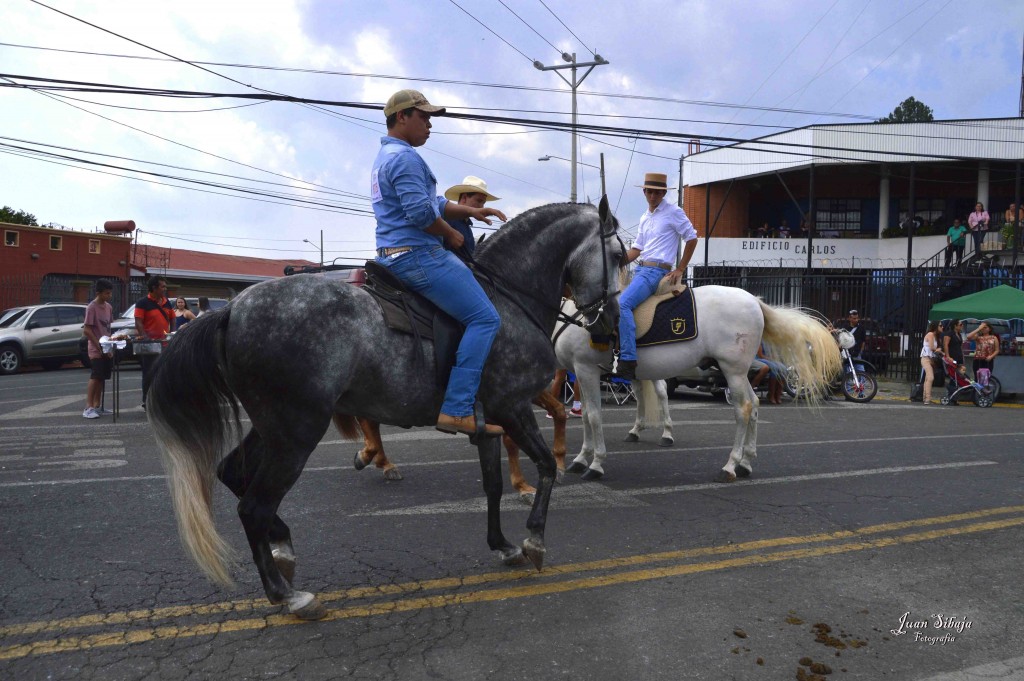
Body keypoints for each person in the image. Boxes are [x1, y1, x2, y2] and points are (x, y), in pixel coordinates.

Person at [371, 89, 507, 436]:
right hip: (418, 255)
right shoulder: (406, 159)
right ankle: (457, 408)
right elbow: (421, 214)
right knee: (485, 318)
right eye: (424, 116)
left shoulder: (387, 156)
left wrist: (470, 210)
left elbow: (432, 202)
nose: (430, 124)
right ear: (402, 117)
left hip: (391, 253)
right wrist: (451, 234)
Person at [615, 172, 698, 381]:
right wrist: (615, 262)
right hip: (640, 269)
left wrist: (680, 268)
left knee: (623, 304)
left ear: (663, 193)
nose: (653, 196)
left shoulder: (674, 212)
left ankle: (627, 359)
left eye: (658, 192)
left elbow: (692, 238)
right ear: (644, 192)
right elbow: (636, 249)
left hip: (656, 272)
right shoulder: (645, 217)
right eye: (650, 191)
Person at [134, 276, 174, 410]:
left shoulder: (166, 301)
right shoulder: (142, 302)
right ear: (154, 288)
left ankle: (162, 399)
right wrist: (145, 337)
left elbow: (172, 318)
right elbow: (138, 321)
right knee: (149, 372)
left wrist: (172, 333)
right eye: (162, 287)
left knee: (164, 372)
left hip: (165, 343)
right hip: (150, 344)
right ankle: (147, 400)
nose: (165, 289)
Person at [441, 176, 500, 256]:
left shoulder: (468, 229)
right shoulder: (447, 219)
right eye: (479, 201)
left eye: (483, 203)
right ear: (464, 198)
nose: (482, 207)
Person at [82, 279, 114, 419]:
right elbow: (87, 330)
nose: (109, 296)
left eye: (110, 293)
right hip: (96, 348)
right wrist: (98, 346)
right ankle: (88, 407)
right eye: (106, 293)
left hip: (107, 346)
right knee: (95, 376)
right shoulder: (91, 308)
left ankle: (97, 405)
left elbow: (108, 328)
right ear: (98, 293)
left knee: (102, 377)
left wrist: (110, 345)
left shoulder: (108, 307)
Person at [967, 322, 1000, 391]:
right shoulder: (978, 337)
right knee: (977, 377)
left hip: (988, 360)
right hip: (978, 360)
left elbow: (997, 350)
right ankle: (976, 393)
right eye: (982, 327)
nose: (983, 329)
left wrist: (991, 356)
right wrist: (979, 328)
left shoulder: (994, 337)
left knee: (986, 378)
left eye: (985, 327)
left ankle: (984, 394)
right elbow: (969, 337)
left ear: (989, 329)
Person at [919, 321, 944, 404]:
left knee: (927, 379)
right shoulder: (930, 334)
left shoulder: (936, 336)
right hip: (926, 358)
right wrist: (939, 350)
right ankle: (927, 399)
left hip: (931, 359)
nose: (942, 327)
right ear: (936, 326)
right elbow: (932, 347)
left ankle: (925, 398)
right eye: (940, 325)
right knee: (930, 377)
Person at [942, 319, 966, 403]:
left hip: (958, 357)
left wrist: (962, 358)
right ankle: (951, 395)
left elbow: (960, 346)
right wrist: (948, 356)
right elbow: (946, 345)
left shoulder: (959, 334)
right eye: (960, 324)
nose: (962, 326)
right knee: (954, 376)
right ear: (955, 326)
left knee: (958, 376)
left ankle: (954, 396)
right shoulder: (949, 333)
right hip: (952, 357)